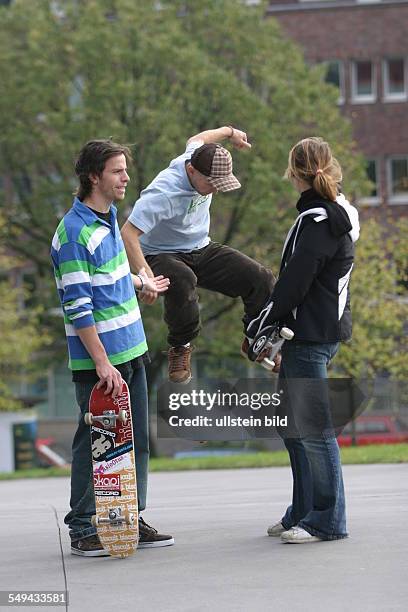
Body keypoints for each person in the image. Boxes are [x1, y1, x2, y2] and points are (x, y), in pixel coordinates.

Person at [50, 139, 174, 556]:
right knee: (97, 444)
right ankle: (84, 528)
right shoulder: (72, 233)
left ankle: (128, 519)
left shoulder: (108, 221)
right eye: (117, 171)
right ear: (93, 177)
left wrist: (143, 283)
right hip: (100, 364)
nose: (125, 178)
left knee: (133, 441)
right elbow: (78, 305)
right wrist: (102, 364)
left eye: (125, 169)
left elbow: (113, 276)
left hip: (133, 351)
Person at [247, 137, 359, 543]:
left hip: (310, 337)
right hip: (311, 334)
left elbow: (295, 283)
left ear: (294, 172)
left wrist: (262, 324)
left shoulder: (319, 221)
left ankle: (326, 520)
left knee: (313, 430)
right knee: (293, 429)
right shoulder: (327, 216)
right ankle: (304, 510)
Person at [121, 126, 276, 383]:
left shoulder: (197, 154)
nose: (215, 190)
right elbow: (128, 233)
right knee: (182, 279)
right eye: (211, 183)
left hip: (200, 247)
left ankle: (254, 338)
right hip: (159, 254)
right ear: (191, 171)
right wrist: (145, 276)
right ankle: (180, 346)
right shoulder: (163, 192)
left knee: (260, 277)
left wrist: (230, 132)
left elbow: (196, 139)